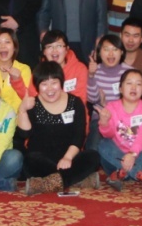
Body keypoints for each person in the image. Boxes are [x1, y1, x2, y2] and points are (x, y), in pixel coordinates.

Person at [16, 61, 99, 194]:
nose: (50, 89)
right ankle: (76, 180)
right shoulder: (33, 104)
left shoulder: (75, 103)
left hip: (69, 159)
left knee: (93, 156)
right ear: (37, 86)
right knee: (29, 160)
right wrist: (22, 110)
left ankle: (48, 183)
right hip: (41, 161)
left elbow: (79, 136)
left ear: (61, 83)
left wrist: (67, 158)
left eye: (54, 82)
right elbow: (24, 135)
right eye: (44, 84)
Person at [97, 69, 142, 195]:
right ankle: (140, 173)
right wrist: (104, 123)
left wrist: (132, 154)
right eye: (129, 83)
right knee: (103, 143)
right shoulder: (111, 108)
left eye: (138, 84)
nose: (133, 87)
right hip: (116, 159)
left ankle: (123, 172)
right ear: (120, 89)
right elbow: (108, 135)